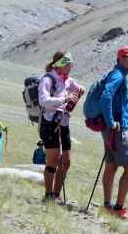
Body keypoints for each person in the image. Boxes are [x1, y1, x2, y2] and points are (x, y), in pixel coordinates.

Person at [99, 46, 128, 220]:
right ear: (122, 58)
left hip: (111, 129)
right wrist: (111, 122)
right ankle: (118, 208)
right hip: (115, 129)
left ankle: (108, 206)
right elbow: (106, 96)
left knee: (111, 166)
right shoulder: (118, 75)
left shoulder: (117, 74)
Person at [38, 51, 85, 203]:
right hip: (49, 123)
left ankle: (57, 195)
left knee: (66, 161)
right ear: (61, 64)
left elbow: (80, 89)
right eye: (69, 64)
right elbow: (43, 100)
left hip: (63, 123)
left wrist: (76, 96)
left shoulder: (67, 79)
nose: (71, 66)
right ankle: (48, 194)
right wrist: (65, 99)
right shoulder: (48, 78)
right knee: (53, 160)